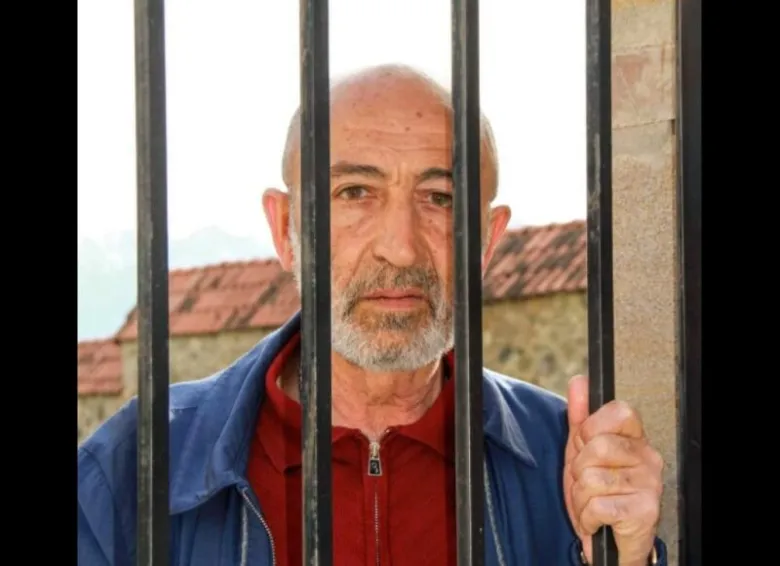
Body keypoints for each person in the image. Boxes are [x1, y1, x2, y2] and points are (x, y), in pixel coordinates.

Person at [78, 64, 667, 566]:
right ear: (285, 229)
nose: (400, 248)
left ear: (486, 242)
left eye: (440, 198)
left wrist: (627, 558)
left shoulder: (568, 463)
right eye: (355, 192)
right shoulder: (135, 466)